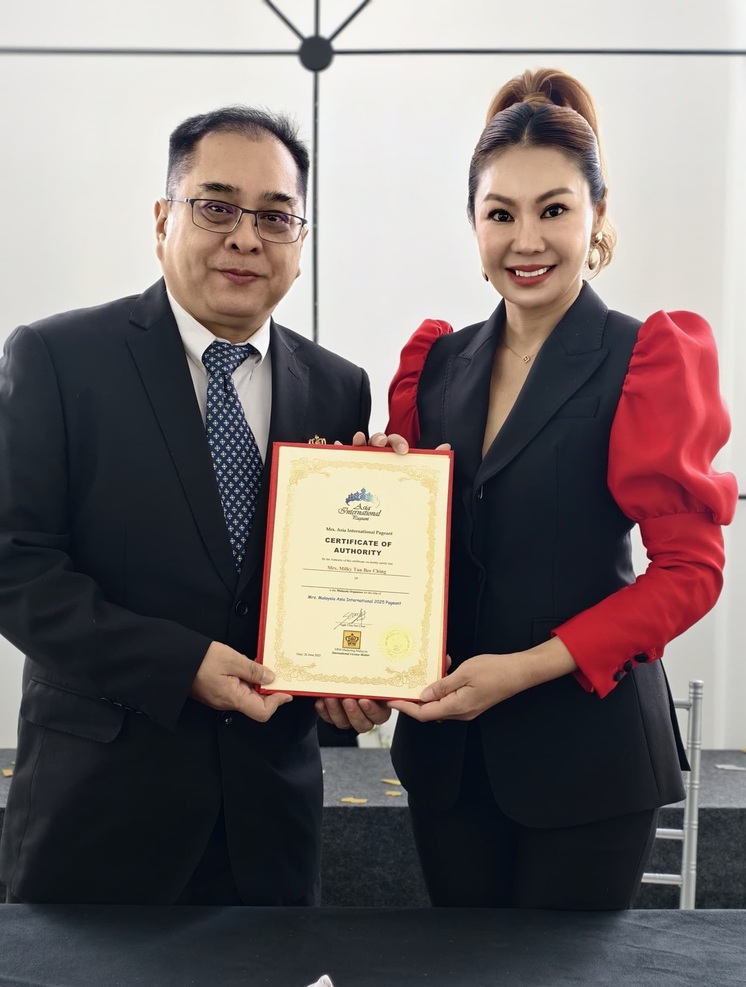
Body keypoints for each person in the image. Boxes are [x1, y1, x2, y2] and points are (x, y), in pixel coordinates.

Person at [0, 105, 389, 905]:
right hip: (98, 814)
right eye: (217, 206)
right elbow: (16, 568)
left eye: (275, 216)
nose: (246, 237)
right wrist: (179, 666)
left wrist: (351, 684)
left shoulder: (338, 386)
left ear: (301, 242)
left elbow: (321, 596)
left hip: (270, 825)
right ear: (161, 219)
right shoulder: (58, 360)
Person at [385, 68, 737, 910]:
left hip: (591, 756)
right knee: (456, 966)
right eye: (500, 214)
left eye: (554, 210)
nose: (526, 240)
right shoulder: (435, 363)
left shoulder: (648, 357)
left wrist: (524, 669)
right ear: (473, 222)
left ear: (598, 215)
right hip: (448, 755)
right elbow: (413, 556)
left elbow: (689, 572)